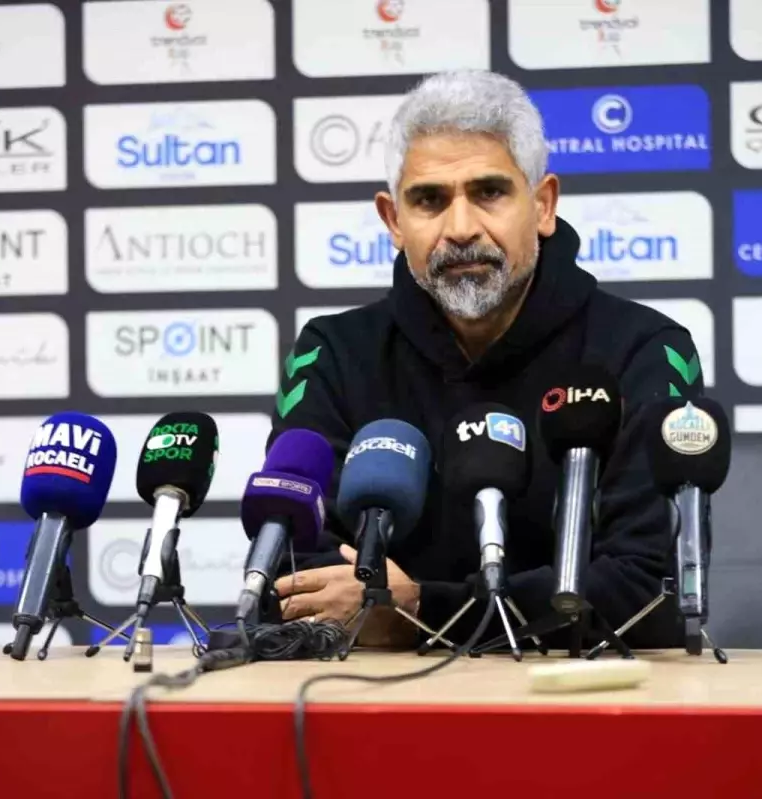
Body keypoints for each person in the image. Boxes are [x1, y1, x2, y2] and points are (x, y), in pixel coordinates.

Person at [268, 69, 705, 651]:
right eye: (429, 200)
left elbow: (650, 587)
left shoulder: (645, 349)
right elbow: (295, 572)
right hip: (376, 691)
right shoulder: (331, 353)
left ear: (543, 205)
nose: (461, 228)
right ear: (394, 221)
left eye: (489, 193)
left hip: (585, 691)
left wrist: (419, 610)